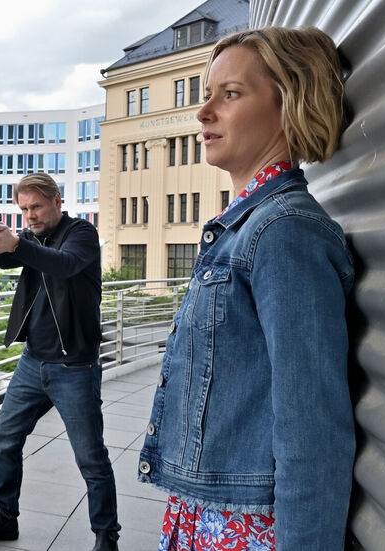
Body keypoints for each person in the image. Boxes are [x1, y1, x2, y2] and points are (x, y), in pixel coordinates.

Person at [138, 27, 355, 550]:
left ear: (291, 104)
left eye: (230, 94)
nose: (203, 112)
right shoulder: (244, 227)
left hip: (242, 527)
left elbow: (313, 426)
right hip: (210, 510)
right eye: (207, 94)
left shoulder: (283, 232)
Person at [0, 173, 119, 551]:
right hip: (33, 363)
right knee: (4, 440)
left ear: (56, 201)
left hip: (74, 367)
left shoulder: (81, 234)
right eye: (23, 209)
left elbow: (63, 265)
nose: (29, 215)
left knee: (90, 458)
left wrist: (16, 242)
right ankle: (4, 517)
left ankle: (106, 535)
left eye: (35, 207)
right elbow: (6, 262)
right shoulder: (31, 238)